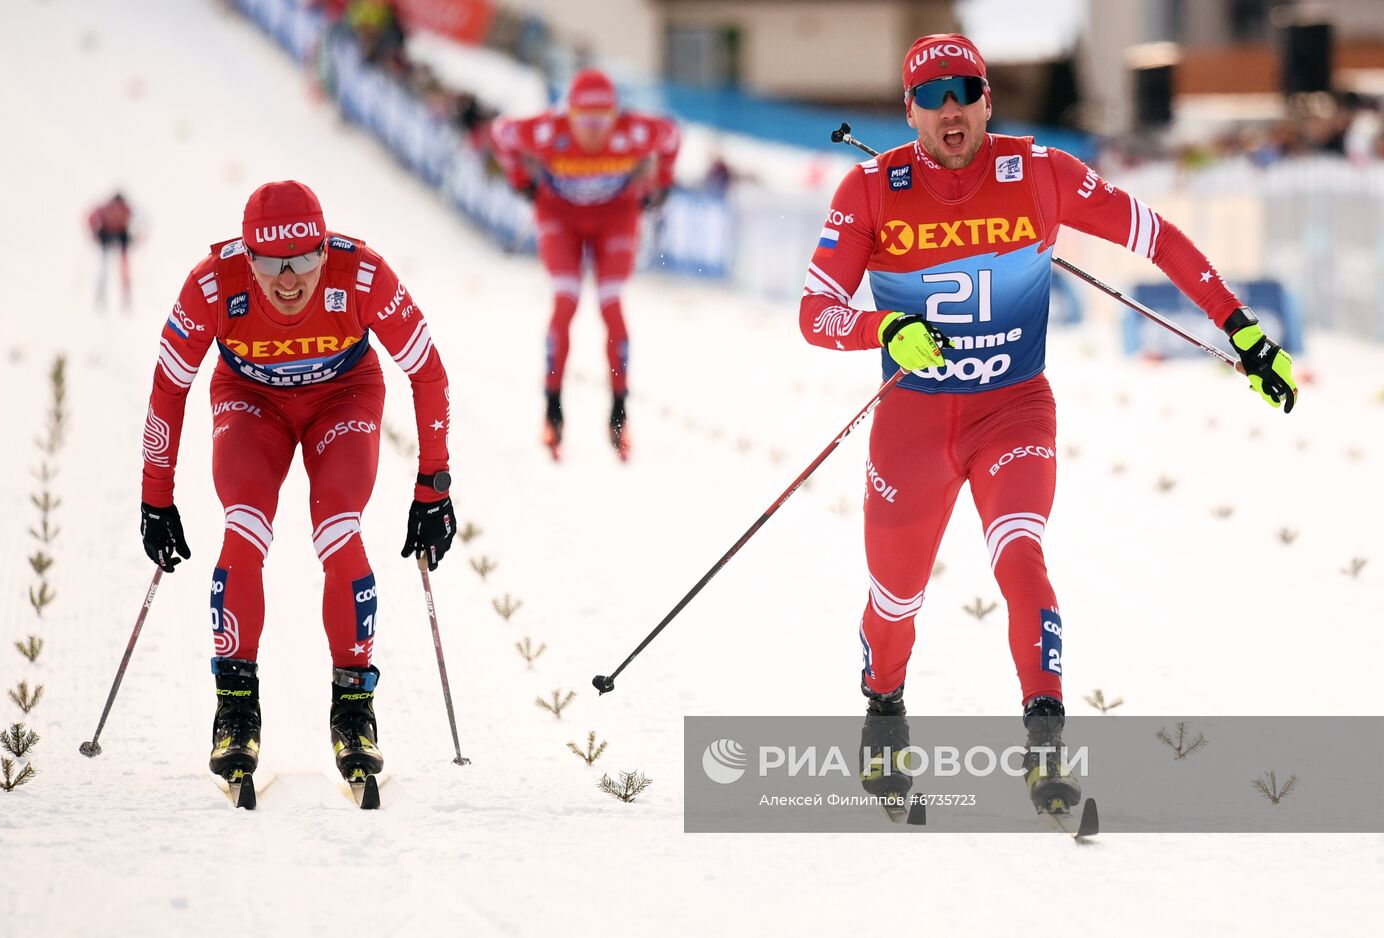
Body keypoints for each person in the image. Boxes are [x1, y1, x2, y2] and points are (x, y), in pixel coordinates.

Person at [798, 34, 1297, 813]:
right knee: (895, 603)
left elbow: (1156, 236)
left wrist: (1239, 327)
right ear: (909, 111)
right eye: (932, 97)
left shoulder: (1039, 173)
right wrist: (883, 330)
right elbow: (815, 311)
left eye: (966, 90)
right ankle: (884, 713)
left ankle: (1045, 754)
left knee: (1021, 557)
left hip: (1012, 408)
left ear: (989, 99)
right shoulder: (870, 189)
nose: (951, 109)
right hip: (913, 422)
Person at [137, 180, 457, 786]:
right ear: (246, 255)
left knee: (339, 528)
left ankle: (354, 708)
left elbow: (429, 373)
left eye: (306, 260)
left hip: (344, 396)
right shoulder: (212, 283)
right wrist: (156, 497)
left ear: (324, 249)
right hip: (250, 399)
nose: (290, 280)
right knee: (245, 527)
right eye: (272, 264)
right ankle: (235, 707)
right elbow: (168, 389)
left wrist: (433, 487)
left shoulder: (362, 276)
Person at [490, 68, 680, 461]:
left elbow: (673, 137)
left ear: (616, 116)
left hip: (615, 217)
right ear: (568, 114)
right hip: (560, 217)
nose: (594, 131)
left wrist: (661, 183)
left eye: (602, 121)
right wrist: (519, 180)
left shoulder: (635, 132)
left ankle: (619, 413)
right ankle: (552, 411)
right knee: (566, 302)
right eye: (584, 121)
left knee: (611, 304)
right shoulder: (547, 131)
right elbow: (501, 134)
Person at [88, 192, 134, 309]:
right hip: (108, 234)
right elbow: (91, 217)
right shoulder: (120, 209)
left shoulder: (120, 209)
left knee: (120, 265)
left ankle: (124, 292)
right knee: (107, 266)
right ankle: (103, 292)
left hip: (117, 235)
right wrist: (95, 232)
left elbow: (91, 217)